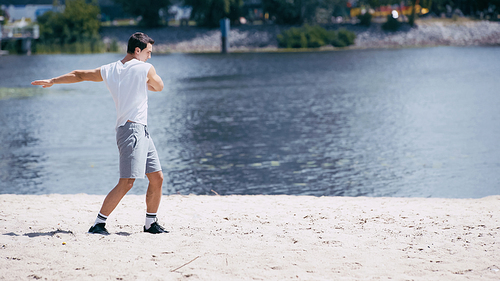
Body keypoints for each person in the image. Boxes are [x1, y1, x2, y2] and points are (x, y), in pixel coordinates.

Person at [31, 32, 168, 235]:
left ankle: (150, 223)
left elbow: (79, 75)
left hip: (138, 130)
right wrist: (146, 82)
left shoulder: (110, 69)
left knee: (156, 178)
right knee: (127, 182)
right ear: (137, 51)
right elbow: (159, 86)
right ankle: (98, 224)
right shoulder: (145, 68)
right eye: (148, 52)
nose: (150, 56)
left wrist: (53, 80)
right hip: (133, 131)